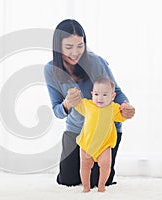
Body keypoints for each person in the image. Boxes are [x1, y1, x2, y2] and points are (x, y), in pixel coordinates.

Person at [44, 19, 135, 188]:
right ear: (58, 47)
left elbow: (118, 93)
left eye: (80, 45)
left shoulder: (96, 62)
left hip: (104, 130)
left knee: (97, 182)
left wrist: (125, 106)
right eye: (69, 47)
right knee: (68, 181)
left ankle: (104, 170)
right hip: (77, 131)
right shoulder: (50, 70)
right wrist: (67, 104)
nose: (75, 52)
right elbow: (57, 110)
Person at [71, 75, 128, 192]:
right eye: (96, 94)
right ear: (92, 94)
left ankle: (101, 186)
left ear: (113, 96)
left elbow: (123, 116)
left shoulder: (114, 108)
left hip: (104, 145)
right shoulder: (87, 105)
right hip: (87, 144)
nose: (100, 98)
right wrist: (72, 93)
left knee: (106, 165)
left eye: (105, 95)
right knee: (85, 166)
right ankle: (86, 186)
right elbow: (76, 103)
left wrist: (125, 107)